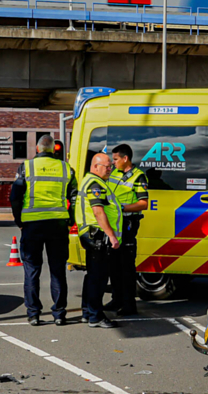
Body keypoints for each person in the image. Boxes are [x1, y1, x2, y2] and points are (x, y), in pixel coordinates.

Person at [9, 134, 79, 327]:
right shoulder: (66, 169)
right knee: (57, 271)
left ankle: (33, 314)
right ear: (53, 149)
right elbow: (74, 197)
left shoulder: (26, 167)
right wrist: (70, 219)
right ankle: (59, 314)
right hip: (57, 225)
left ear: (38, 149)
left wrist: (19, 220)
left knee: (32, 270)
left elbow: (15, 196)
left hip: (32, 225)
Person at [77, 153, 122, 329]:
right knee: (98, 278)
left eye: (110, 165)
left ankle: (87, 312)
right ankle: (95, 316)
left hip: (92, 234)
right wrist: (111, 235)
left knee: (92, 276)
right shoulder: (95, 184)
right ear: (95, 166)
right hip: (97, 236)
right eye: (107, 166)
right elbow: (98, 212)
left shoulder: (92, 181)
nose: (110, 169)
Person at [106, 144, 149, 316]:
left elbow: (143, 203)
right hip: (114, 224)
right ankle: (116, 299)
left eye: (116, 159)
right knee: (114, 265)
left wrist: (121, 208)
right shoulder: (114, 173)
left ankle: (129, 304)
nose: (113, 162)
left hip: (127, 223)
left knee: (127, 266)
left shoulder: (139, 177)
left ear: (125, 159)